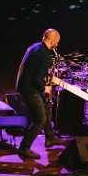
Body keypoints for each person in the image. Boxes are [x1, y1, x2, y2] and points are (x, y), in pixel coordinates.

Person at [15, 28, 67, 159]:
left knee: (47, 107)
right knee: (40, 119)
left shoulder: (35, 47)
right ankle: (24, 148)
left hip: (24, 85)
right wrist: (46, 88)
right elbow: (37, 79)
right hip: (30, 90)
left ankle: (50, 138)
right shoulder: (43, 55)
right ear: (52, 40)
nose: (57, 44)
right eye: (57, 41)